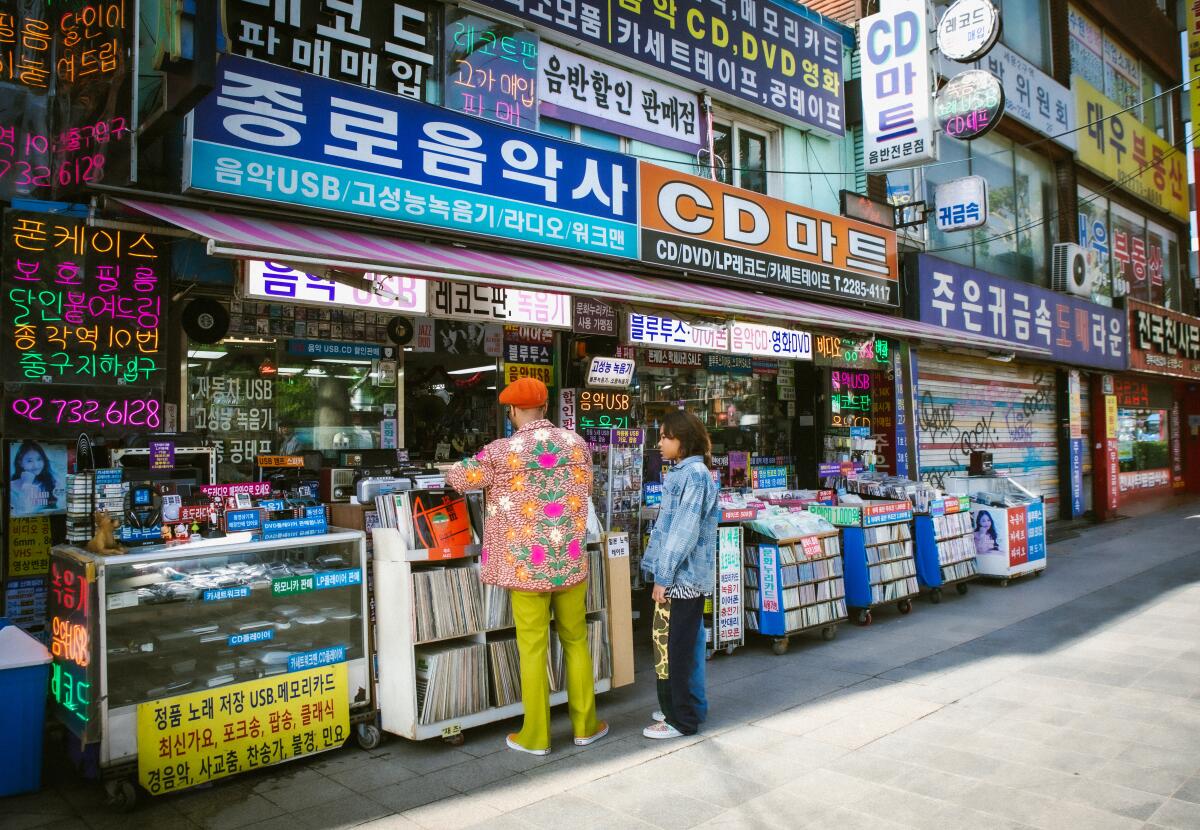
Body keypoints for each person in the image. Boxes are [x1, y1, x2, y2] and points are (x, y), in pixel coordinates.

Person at [446, 377, 607, 755]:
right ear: (546, 407)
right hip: (569, 561)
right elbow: (585, 489)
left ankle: (535, 735)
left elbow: (458, 478)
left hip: (526, 569)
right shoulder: (576, 443)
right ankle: (586, 726)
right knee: (576, 641)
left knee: (532, 648)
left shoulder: (501, 452)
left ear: (513, 411)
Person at [641, 410, 719, 740]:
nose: (659, 443)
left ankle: (680, 719)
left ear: (682, 442)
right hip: (681, 578)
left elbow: (683, 531)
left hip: (681, 580)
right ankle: (681, 707)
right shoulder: (689, 473)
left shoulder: (694, 475)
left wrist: (664, 575)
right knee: (679, 647)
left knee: (673, 649)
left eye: (665, 437)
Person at [10, 440, 58, 515]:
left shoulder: (49, 483)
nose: (36, 465)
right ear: (20, 463)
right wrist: (27, 484)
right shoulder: (11, 487)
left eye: (39, 459)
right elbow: (22, 512)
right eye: (29, 461)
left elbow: (55, 510)